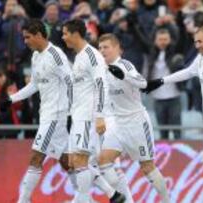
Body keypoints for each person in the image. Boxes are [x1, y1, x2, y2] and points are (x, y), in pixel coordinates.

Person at [142, 25, 203, 203]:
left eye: (199, 41)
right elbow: (188, 72)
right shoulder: (202, 58)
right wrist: (161, 81)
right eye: (195, 42)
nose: (197, 45)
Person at [2, 19, 73, 203]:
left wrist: (73, 112)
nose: (25, 41)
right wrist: (11, 99)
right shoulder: (35, 56)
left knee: (36, 156)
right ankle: (104, 194)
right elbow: (34, 84)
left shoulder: (56, 55)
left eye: (27, 37)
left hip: (56, 115)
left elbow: (71, 82)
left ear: (39, 35)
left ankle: (23, 200)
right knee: (67, 161)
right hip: (46, 114)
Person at [98, 33, 170, 203]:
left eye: (106, 47)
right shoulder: (101, 70)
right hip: (117, 124)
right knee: (103, 160)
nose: (102, 51)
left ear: (117, 48)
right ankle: (124, 200)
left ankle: (167, 200)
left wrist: (123, 75)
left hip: (136, 122)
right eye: (100, 48)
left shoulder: (125, 65)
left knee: (147, 167)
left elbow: (143, 84)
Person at [61, 19, 125, 203]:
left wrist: (99, 116)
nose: (63, 37)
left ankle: (82, 200)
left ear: (75, 33)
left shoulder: (92, 55)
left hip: (89, 117)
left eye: (65, 33)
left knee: (81, 161)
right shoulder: (79, 56)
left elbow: (101, 85)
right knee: (75, 162)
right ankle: (113, 194)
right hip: (77, 116)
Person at [146, 28, 184, 140]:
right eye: (160, 39)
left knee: (177, 130)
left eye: (165, 39)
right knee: (163, 131)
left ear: (170, 40)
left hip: (174, 96)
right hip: (158, 98)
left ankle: (178, 154)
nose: (163, 42)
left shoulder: (175, 52)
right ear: (155, 41)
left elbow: (183, 38)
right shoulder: (151, 54)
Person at [0, 67, 21, 138]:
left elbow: (19, 107)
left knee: (12, 146)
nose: (0, 78)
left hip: (11, 121)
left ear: (6, 77)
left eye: (1, 76)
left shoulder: (11, 88)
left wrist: (12, 97)